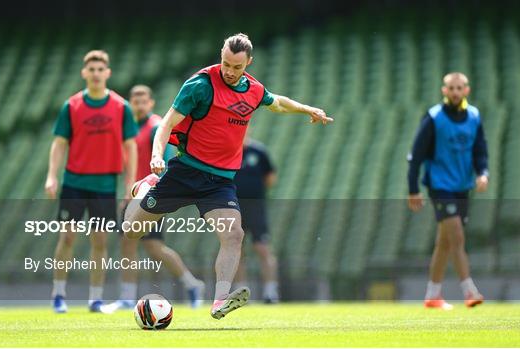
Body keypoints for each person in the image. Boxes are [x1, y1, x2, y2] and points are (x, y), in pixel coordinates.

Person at [123, 33, 333, 320]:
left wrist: (306, 109)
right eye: (225, 64)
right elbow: (166, 124)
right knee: (131, 229)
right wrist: (157, 156)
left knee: (234, 234)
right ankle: (148, 187)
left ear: (248, 62)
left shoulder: (253, 90)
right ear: (220, 57)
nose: (230, 72)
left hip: (220, 181)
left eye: (237, 67)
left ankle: (220, 299)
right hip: (186, 172)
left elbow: (278, 103)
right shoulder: (199, 85)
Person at [45, 50, 138, 313]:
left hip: (105, 185)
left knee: (100, 241)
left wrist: (130, 182)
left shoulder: (121, 107)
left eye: (100, 69)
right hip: (74, 182)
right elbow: (59, 143)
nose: (96, 73)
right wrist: (52, 176)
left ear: (107, 73)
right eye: (92, 69)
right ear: (84, 73)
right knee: (68, 237)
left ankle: (95, 299)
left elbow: (129, 146)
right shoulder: (71, 106)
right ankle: (59, 295)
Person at [103, 85, 204, 312]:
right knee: (133, 244)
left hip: (150, 195)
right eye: (135, 101)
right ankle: (131, 297)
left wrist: (153, 191)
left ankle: (191, 284)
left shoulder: (155, 127)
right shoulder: (128, 129)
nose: (139, 105)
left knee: (153, 247)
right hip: (132, 195)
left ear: (151, 103)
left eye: (143, 101)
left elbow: (167, 163)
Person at [407, 72, 488, 310]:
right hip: (440, 185)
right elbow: (416, 155)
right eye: (451, 88)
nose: (455, 92)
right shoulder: (434, 118)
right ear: (444, 91)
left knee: (444, 242)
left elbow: (480, 151)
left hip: (462, 185)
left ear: (466, 90)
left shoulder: (474, 116)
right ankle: (469, 290)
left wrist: (483, 173)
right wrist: (414, 189)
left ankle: (433, 295)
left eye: (459, 88)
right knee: (457, 236)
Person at [233, 137, 279, 303]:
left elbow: (270, 177)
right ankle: (241, 292)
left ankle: (270, 292)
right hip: (234, 208)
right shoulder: (229, 150)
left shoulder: (258, 151)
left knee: (262, 247)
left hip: (256, 207)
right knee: (236, 249)